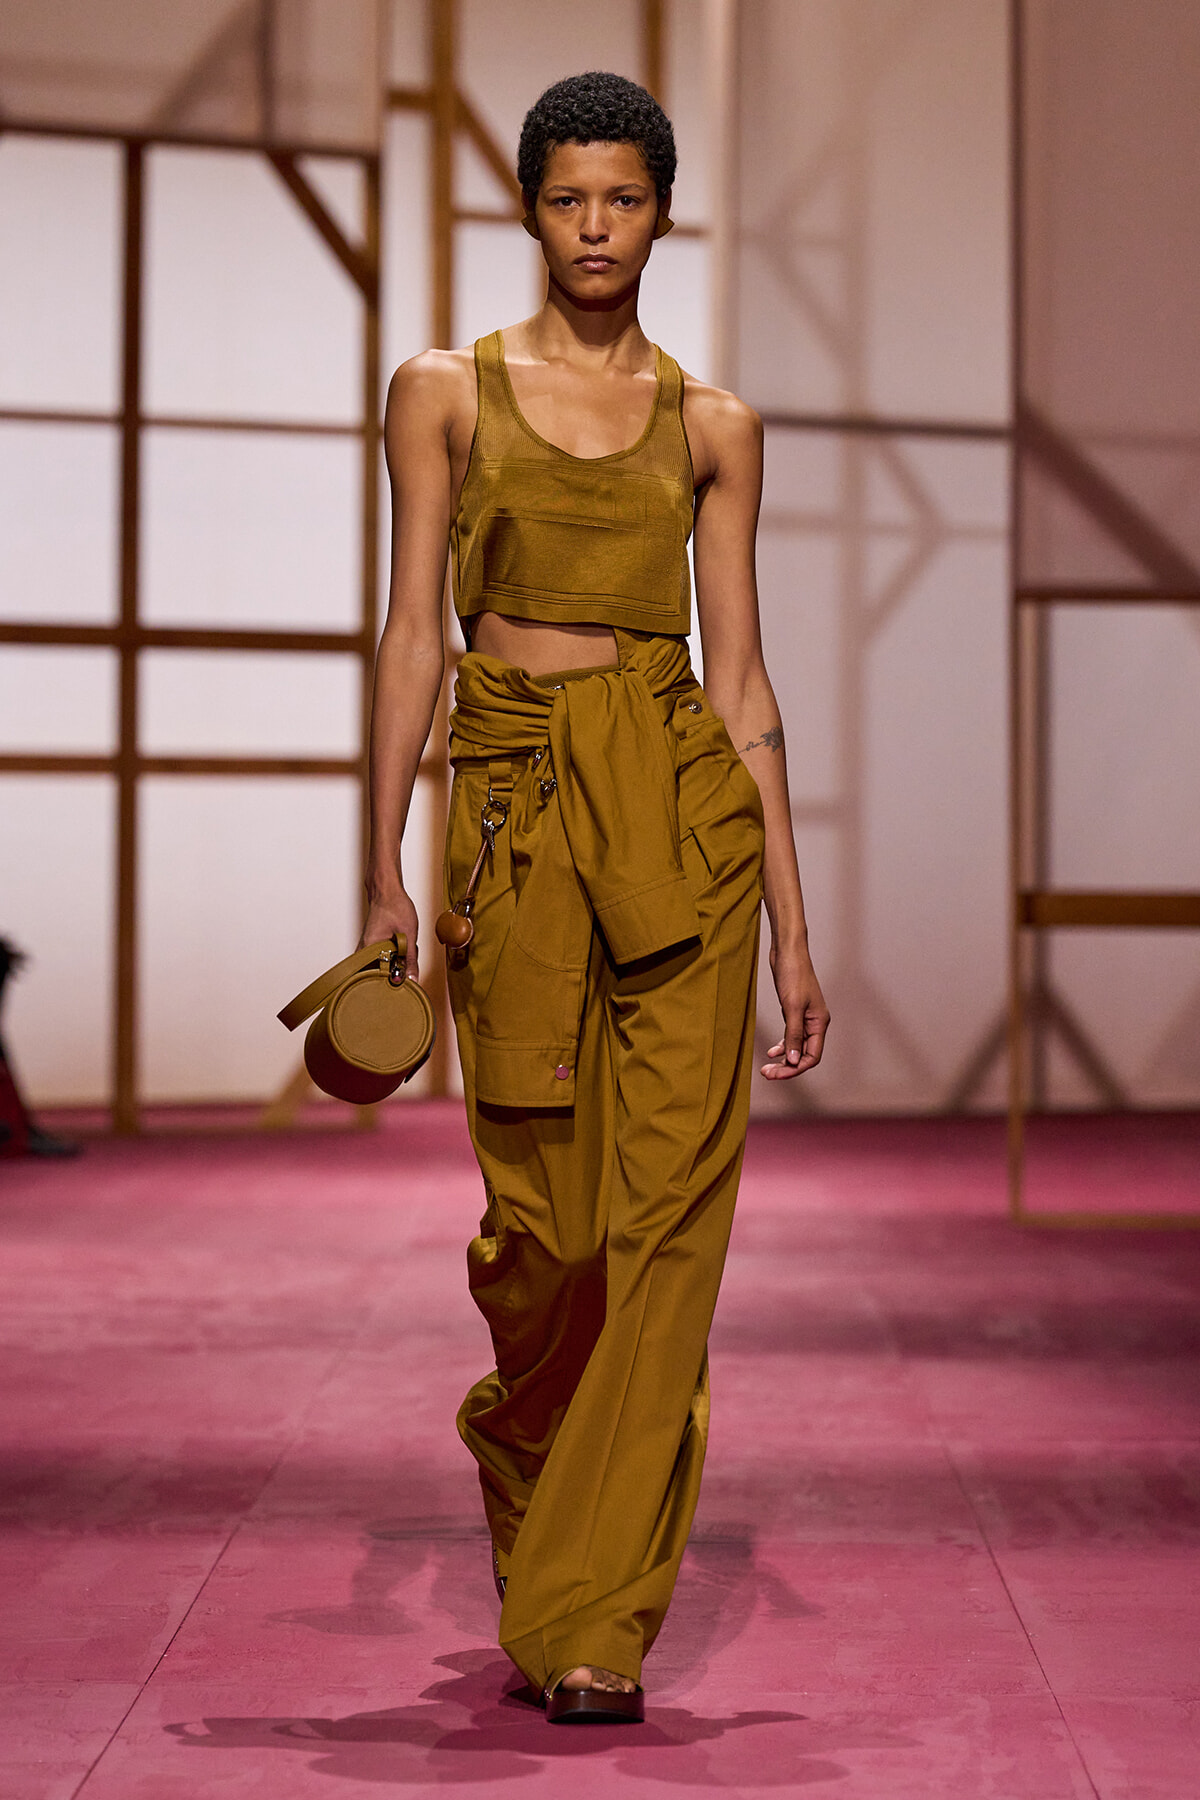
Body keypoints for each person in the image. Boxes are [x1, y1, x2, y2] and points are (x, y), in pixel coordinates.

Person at [362, 70, 829, 1723]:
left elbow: (746, 680)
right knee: (549, 1235)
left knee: (670, 1234)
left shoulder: (717, 428)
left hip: (681, 820)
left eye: (622, 199)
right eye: (567, 198)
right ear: (531, 207)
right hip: (512, 826)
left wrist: (792, 920)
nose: (594, 229)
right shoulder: (445, 393)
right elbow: (415, 631)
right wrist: (382, 868)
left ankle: (589, 1620)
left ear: (663, 209)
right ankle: (528, 1463)